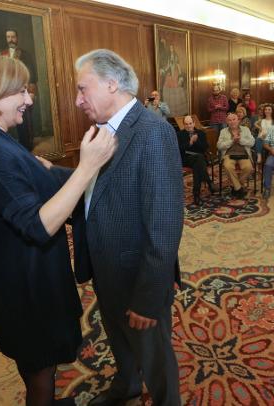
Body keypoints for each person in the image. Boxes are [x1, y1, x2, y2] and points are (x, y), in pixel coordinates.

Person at [0, 52, 117, 406]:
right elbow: (39, 225)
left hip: (12, 282)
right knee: (40, 371)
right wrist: (87, 167)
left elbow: (22, 185)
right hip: (23, 291)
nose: (29, 99)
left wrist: (43, 170)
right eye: (21, 91)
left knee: (38, 368)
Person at [72, 49, 183, 406]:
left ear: (111, 83)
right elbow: (101, 186)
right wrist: (57, 174)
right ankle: (127, 386)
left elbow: (164, 224)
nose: (78, 100)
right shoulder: (102, 131)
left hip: (138, 275)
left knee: (155, 356)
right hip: (109, 269)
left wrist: (149, 298)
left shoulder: (152, 132)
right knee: (119, 339)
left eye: (82, 89)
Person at [1, 29, 38, 151]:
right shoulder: (2, 55)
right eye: (8, 37)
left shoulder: (25, 54)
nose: (10, 39)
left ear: (17, 38)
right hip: (8, 91)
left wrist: (31, 92)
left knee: (25, 118)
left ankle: (27, 145)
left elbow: (32, 74)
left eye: (13, 37)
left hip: (24, 90)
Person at [177, 115, 216, 205]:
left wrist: (196, 141)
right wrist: (190, 142)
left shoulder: (201, 133)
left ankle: (196, 194)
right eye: (186, 124)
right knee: (199, 159)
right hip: (186, 159)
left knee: (198, 162)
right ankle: (209, 182)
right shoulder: (179, 134)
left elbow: (205, 148)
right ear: (183, 125)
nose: (188, 126)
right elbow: (179, 149)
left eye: (190, 123)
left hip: (199, 159)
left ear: (194, 123)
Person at [217, 112, 255, 198]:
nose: (232, 121)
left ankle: (235, 187)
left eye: (234, 119)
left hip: (243, 154)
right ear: (227, 122)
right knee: (227, 166)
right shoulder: (223, 131)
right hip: (229, 154)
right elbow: (219, 146)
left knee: (248, 167)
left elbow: (252, 142)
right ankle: (239, 188)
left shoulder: (246, 129)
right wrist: (231, 141)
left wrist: (240, 140)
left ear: (238, 120)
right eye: (229, 120)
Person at [160, 43, 189, 116]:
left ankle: (178, 111)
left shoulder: (175, 56)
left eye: (172, 48)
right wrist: (164, 70)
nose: (171, 49)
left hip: (175, 73)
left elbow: (178, 66)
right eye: (170, 48)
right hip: (170, 74)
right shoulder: (169, 57)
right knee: (167, 88)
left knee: (177, 89)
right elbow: (168, 66)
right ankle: (171, 111)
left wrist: (180, 74)